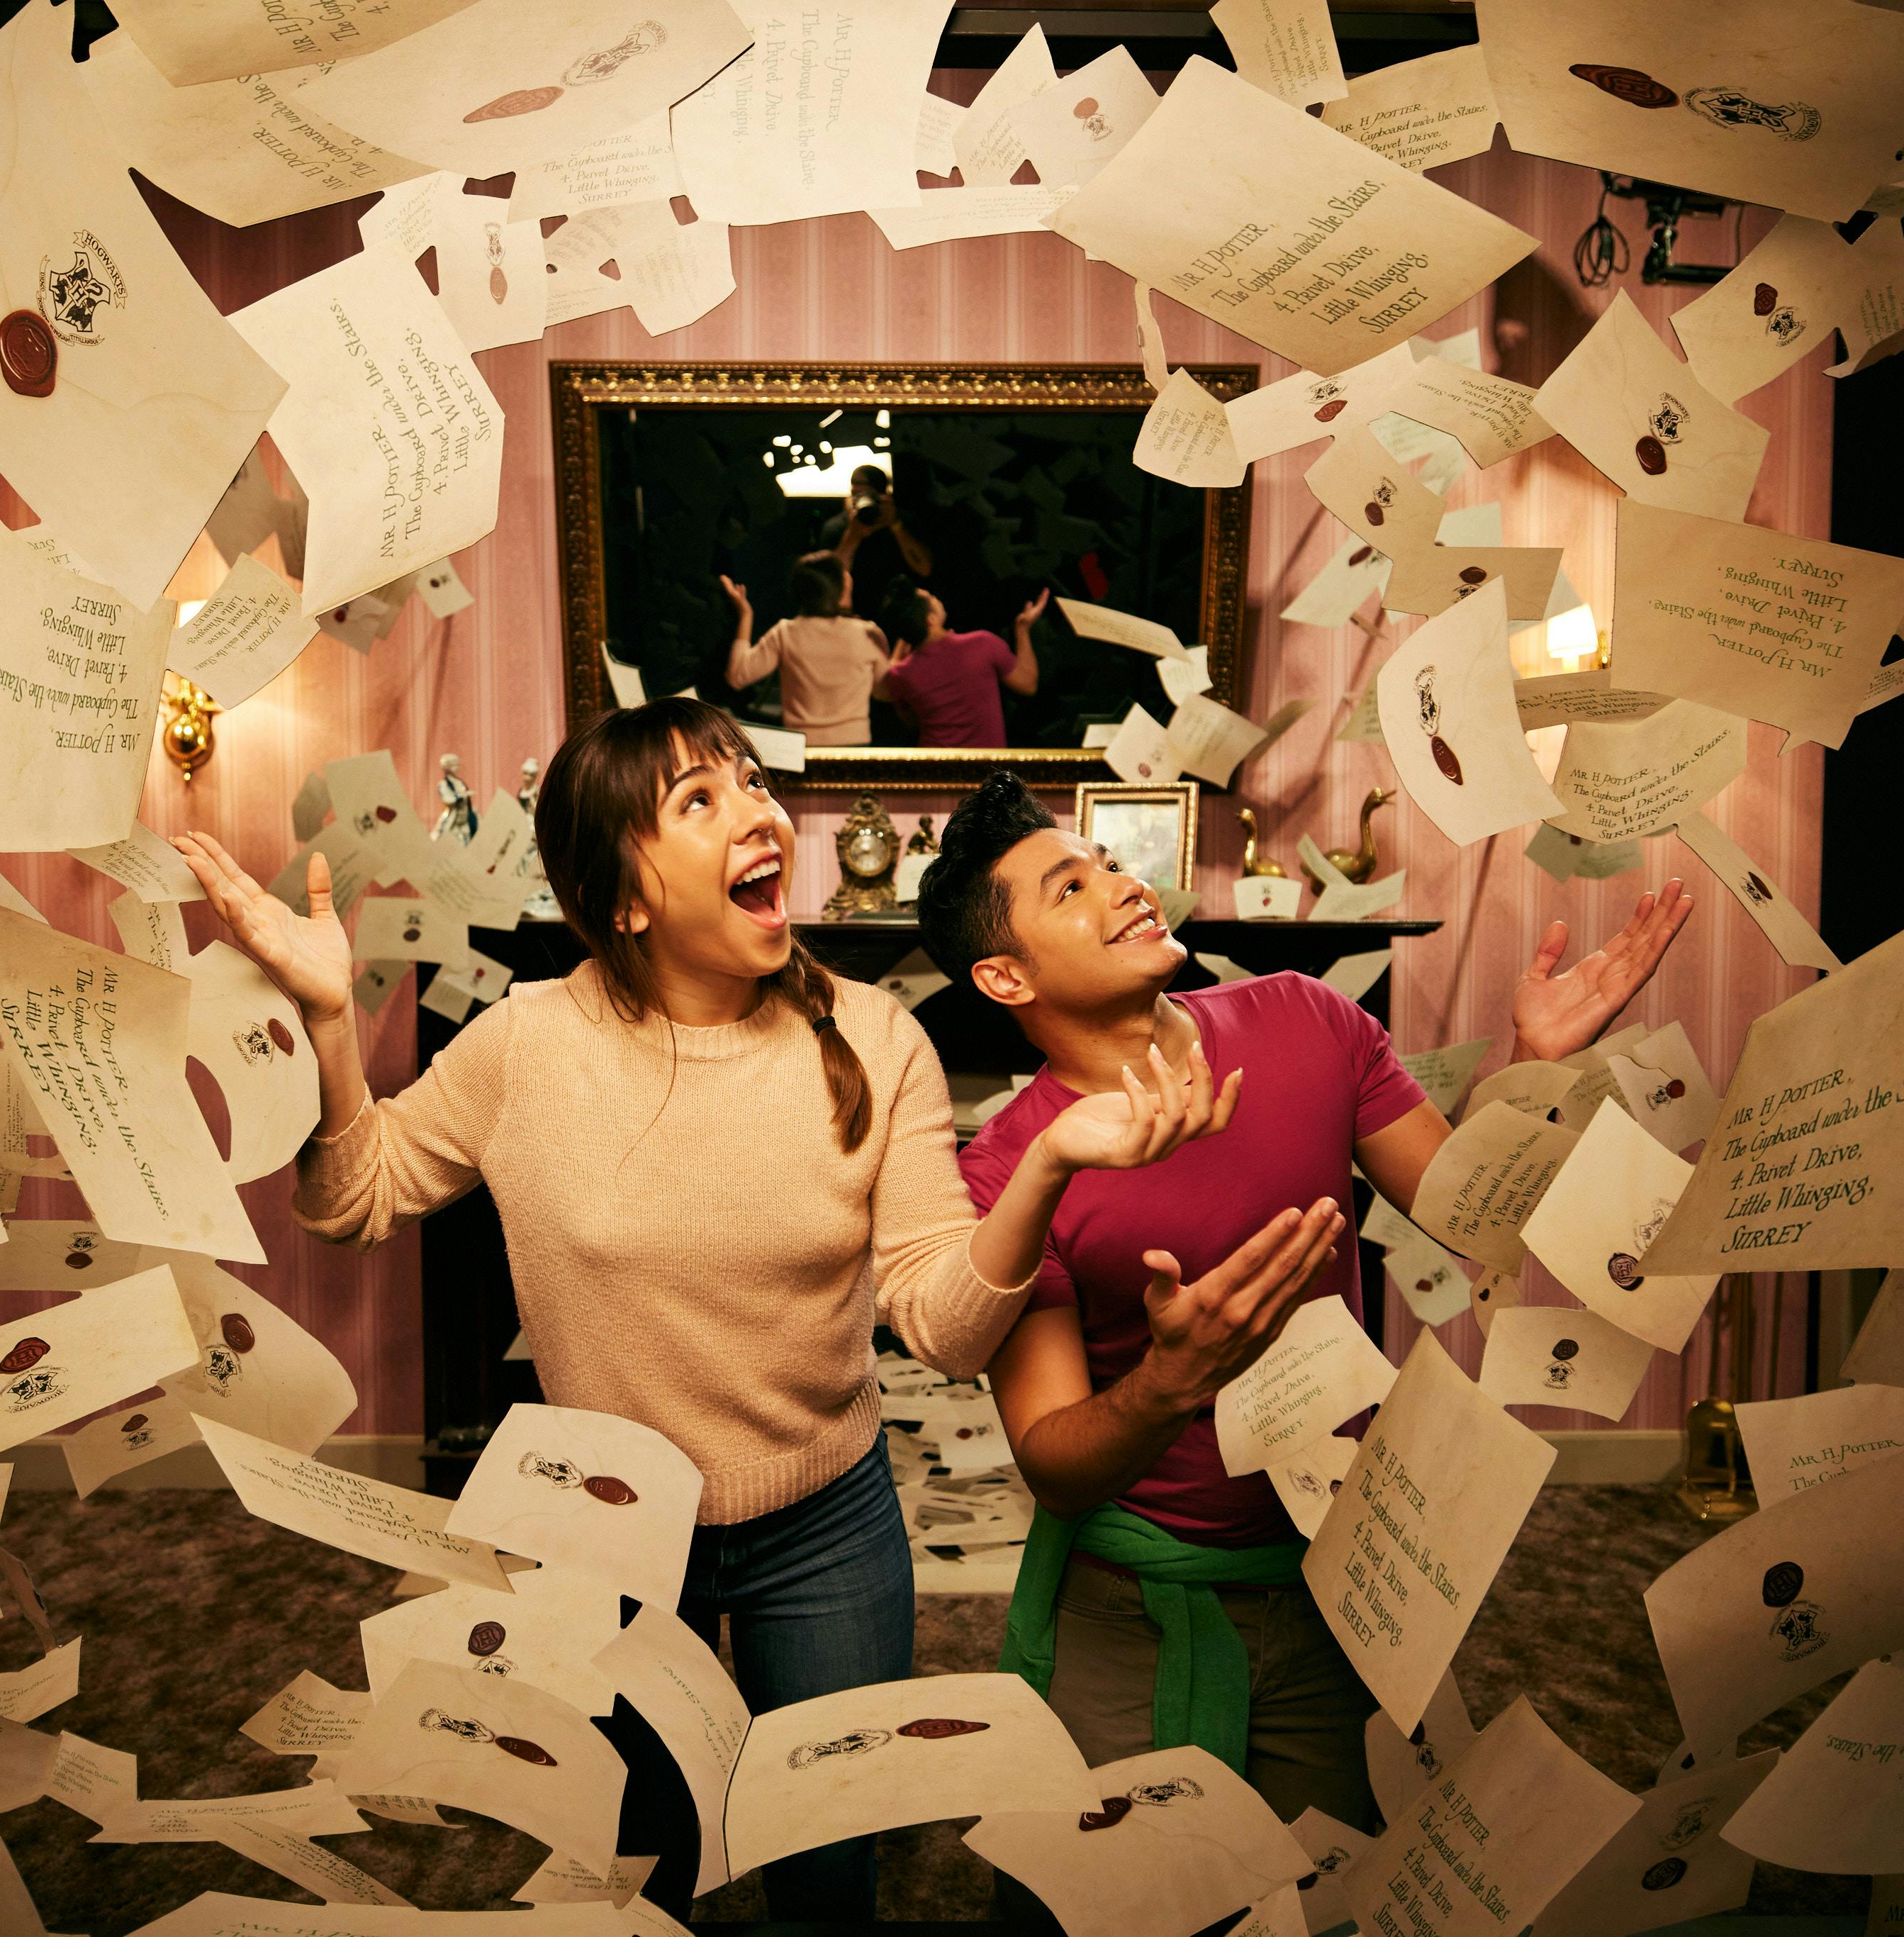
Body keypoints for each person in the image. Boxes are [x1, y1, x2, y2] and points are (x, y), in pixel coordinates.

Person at [169, 703, 1249, 1922]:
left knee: (829, 1869)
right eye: (701, 800)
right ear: (624, 899)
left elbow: (946, 1333)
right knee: (643, 1867)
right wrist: (328, 1024)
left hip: (826, 1524)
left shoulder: (875, 1035)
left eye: (750, 782)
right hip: (608, 1537)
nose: (758, 813)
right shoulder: (527, 1044)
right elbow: (350, 1200)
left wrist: (1047, 1160)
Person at [913, 772, 1693, 1844]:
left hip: (1340, 1568)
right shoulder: (1011, 1170)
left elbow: (1471, 1215)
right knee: (1115, 1893)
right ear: (1006, 975)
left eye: (1111, 865)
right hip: (1133, 1598)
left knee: (1331, 1880)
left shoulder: (1306, 1018)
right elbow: (1052, 1459)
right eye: (1071, 888)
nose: (1125, 886)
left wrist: (1533, 1072)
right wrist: (1169, 1381)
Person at [722, 553, 892, 747]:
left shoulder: (786, 633)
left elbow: (737, 676)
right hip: (854, 747)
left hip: (802, 747)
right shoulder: (868, 633)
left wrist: (745, 614)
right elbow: (884, 692)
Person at [878, 579, 1046, 748]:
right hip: (988, 761)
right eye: (930, 597)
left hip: (936, 761)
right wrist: (1022, 629)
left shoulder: (900, 675)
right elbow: (1028, 684)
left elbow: (912, 723)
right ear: (931, 619)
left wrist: (907, 633)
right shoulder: (982, 643)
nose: (935, 598)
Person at [818, 462, 933, 615]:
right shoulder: (838, 526)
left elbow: (924, 569)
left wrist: (896, 525)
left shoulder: (902, 520)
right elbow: (830, 580)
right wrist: (853, 535)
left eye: (862, 485)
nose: (855, 489)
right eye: (853, 484)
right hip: (856, 612)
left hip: (901, 613)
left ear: (882, 492)